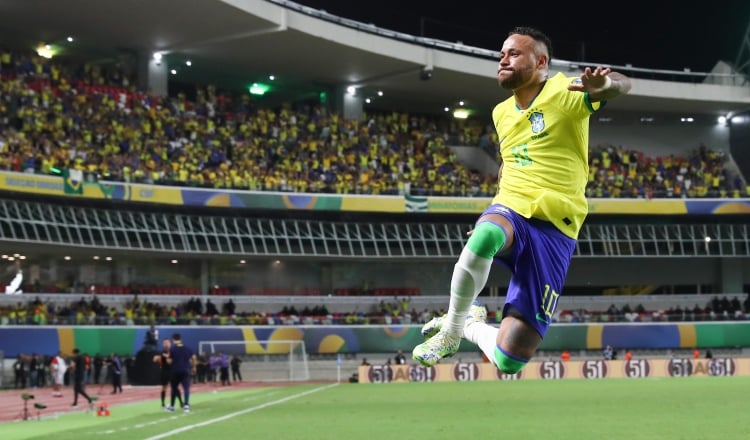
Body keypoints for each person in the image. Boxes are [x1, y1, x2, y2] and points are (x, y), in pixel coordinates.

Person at [412, 26, 631, 374]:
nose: (503, 58)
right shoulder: (501, 113)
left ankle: (469, 325)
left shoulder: (565, 91)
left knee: (509, 359)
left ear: (540, 61)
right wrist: (497, 207)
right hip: (513, 208)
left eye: (514, 53)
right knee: (484, 236)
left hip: (557, 228)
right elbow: (511, 161)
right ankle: (452, 331)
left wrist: (605, 85)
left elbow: (622, 83)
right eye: (502, 53)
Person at [165, 333, 195, 413]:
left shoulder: (172, 349)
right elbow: (193, 357)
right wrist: (194, 367)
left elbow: (169, 361)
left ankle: (172, 406)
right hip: (186, 370)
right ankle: (186, 405)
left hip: (175, 370)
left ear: (173, 339)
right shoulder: (187, 348)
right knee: (186, 388)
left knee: (174, 388)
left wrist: (167, 358)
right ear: (180, 339)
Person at [153, 338, 182, 409]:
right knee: (164, 387)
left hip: (172, 371)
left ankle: (181, 402)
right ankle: (163, 404)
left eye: (167, 342)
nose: (165, 344)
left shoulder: (173, 351)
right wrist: (157, 359)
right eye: (164, 343)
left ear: (170, 343)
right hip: (164, 371)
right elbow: (158, 362)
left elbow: (172, 361)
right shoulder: (161, 352)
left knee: (175, 387)